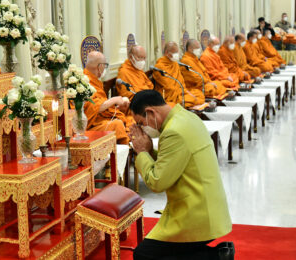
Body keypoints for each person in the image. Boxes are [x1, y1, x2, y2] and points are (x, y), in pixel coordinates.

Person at [129, 90, 234, 260]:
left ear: (150, 112)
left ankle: (216, 257)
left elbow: (157, 182)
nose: (143, 129)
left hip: (196, 214)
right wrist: (149, 150)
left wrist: (141, 152)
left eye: (141, 123)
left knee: (144, 255)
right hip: (209, 208)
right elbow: (173, 161)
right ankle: (220, 253)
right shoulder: (187, 117)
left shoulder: (173, 132)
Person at [83, 51, 134, 144]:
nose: (104, 68)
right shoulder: (83, 82)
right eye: (105, 65)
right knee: (117, 124)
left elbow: (100, 104)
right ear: (100, 67)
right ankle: (124, 152)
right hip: (91, 124)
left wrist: (116, 106)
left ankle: (129, 149)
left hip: (101, 119)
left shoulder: (94, 81)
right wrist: (114, 100)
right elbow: (94, 107)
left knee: (129, 118)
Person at [153, 41, 205, 108]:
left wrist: (186, 92)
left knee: (199, 95)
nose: (177, 54)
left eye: (177, 52)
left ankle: (189, 100)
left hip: (180, 92)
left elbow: (181, 82)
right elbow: (169, 87)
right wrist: (183, 92)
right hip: (169, 96)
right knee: (192, 99)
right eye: (174, 52)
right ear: (166, 53)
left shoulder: (175, 64)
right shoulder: (159, 67)